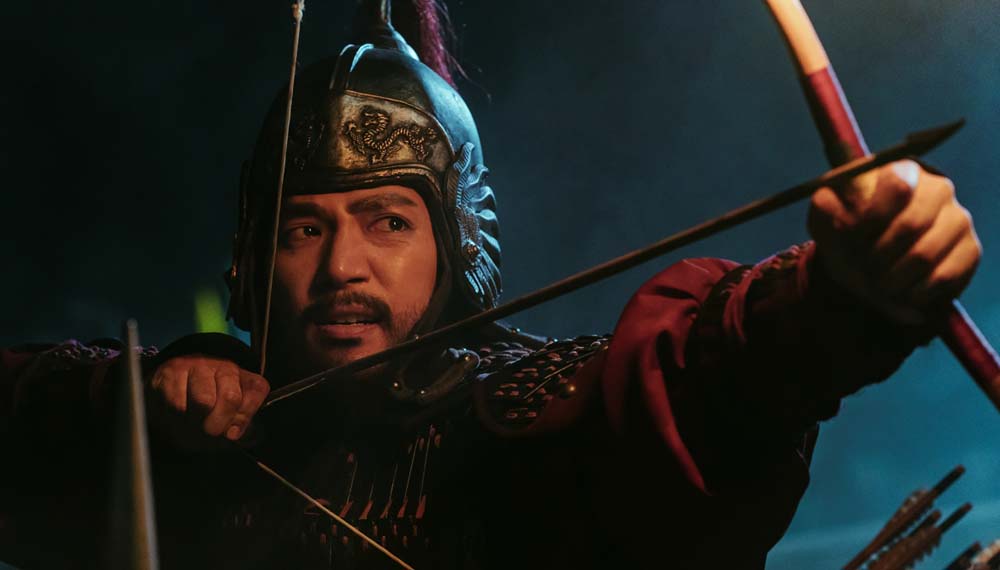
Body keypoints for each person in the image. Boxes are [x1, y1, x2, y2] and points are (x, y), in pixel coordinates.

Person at [0, 1, 982, 568]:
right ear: (256, 255)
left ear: (459, 237)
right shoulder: (202, 432)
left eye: (388, 220)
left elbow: (708, 381)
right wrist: (139, 397)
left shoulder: (531, 410)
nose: (340, 267)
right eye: (305, 228)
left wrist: (843, 293)